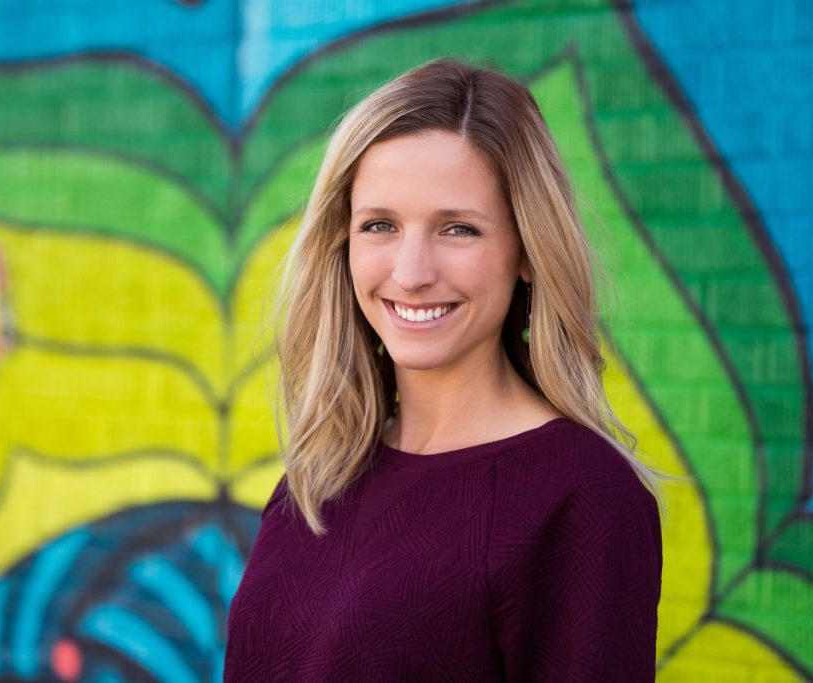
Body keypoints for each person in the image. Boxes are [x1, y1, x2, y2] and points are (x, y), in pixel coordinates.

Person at [224, 57, 667, 682]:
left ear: (528, 252)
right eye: (379, 225)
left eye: (458, 229)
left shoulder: (582, 496)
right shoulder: (320, 476)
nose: (411, 272)